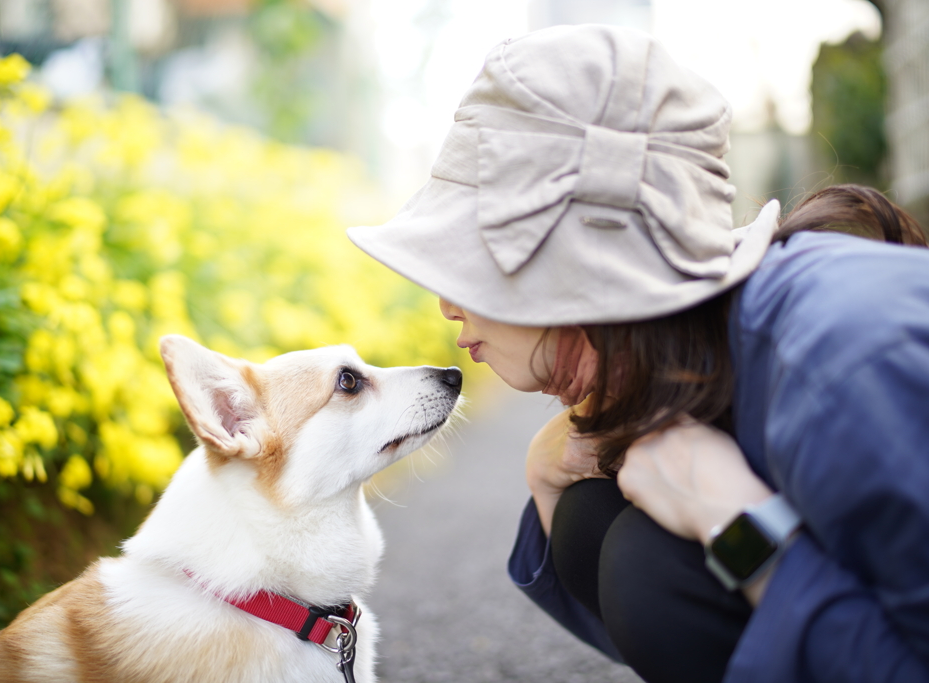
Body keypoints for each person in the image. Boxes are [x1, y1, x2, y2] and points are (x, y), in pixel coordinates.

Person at [347, 24, 929, 683]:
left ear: (571, 266)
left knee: (643, 562)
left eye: (464, 263)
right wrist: (548, 469)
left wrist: (739, 524)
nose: (447, 304)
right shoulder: (713, 352)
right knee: (597, 523)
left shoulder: (846, 365)